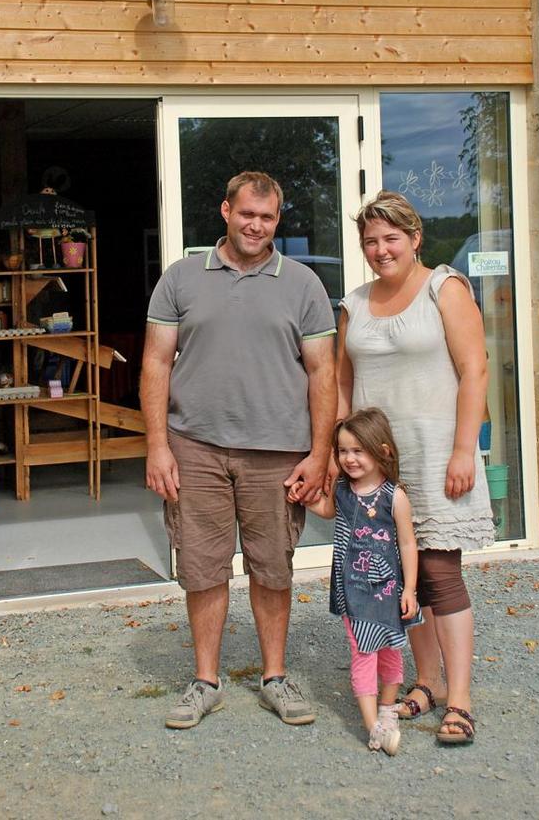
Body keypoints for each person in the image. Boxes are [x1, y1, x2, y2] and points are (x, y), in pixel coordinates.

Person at [140, 171, 337, 730]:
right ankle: (206, 680)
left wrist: (319, 454)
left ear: (278, 220)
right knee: (202, 568)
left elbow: (324, 373)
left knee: (273, 567)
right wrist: (158, 446)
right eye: (247, 213)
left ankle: (274, 676)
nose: (256, 225)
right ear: (226, 210)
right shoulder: (180, 278)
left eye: (267, 217)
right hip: (195, 447)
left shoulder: (302, 284)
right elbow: (156, 363)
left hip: (278, 452)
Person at [336, 191, 494, 746]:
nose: (381, 250)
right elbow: (340, 385)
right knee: (404, 580)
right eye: (370, 241)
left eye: (390, 239)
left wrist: (463, 448)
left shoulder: (444, 288)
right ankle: (424, 682)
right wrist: (341, 457)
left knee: (440, 574)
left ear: (415, 237)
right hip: (377, 466)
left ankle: (461, 700)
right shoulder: (352, 304)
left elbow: (475, 370)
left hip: (436, 454)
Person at [288, 408, 421, 756]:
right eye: (343, 451)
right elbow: (329, 510)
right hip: (353, 589)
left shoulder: (395, 497)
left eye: (357, 451)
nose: (349, 459)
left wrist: (409, 589)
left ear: (383, 451)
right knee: (363, 652)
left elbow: (408, 543)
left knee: (390, 649)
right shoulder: (344, 490)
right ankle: (371, 726)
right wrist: (305, 498)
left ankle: (387, 710)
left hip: (390, 590)